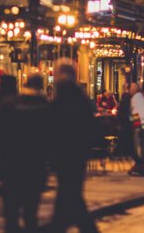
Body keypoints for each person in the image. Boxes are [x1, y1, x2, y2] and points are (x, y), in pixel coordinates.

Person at [0, 73, 49, 233]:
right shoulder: (45, 107)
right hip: (35, 167)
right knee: (30, 214)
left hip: (11, 166)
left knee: (11, 216)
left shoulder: (9, 105)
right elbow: (53, 139)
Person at [49, 59, 98, 233]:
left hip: (67, 154)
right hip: (76, 154)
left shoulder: (64, 98)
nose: (54, 76)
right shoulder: (80, 97)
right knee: (71, 196)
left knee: (69, 196)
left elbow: (56, 126)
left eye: (56, 73)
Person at [129, 82, 144, 176]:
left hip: (140, 124)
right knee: (141, 145)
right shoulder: (140, 97)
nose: (130, 90)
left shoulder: (136, 98)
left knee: (138, 146)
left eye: (131, 89)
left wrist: (130, 121)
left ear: (134, 90)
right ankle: (140, 165)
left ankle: (140, 166)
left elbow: (134, 113)